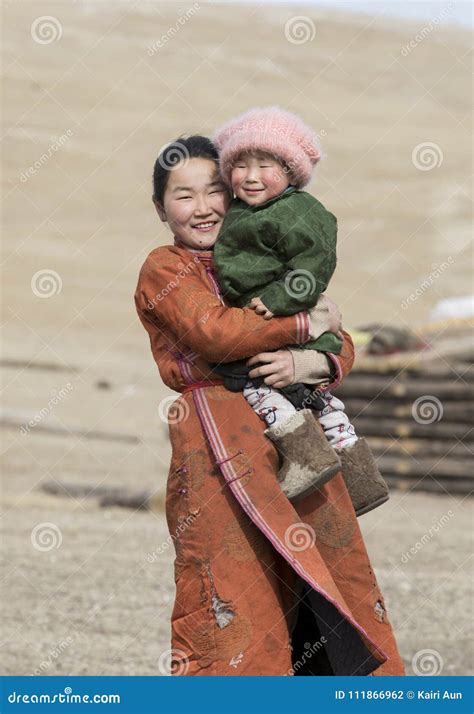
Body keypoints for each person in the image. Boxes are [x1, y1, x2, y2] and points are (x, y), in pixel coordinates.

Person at [134, 134, 406, 676]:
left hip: (296, 443)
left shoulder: (263, 258)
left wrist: (311, 363)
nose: (205, 207)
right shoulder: (166, 269)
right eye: (184, 196)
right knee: (235, 592)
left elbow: (340, 338)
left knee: (326, 585)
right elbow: (216, 335)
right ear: (161, 209)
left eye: (216, 190)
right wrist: (304, 323)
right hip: (215, 448)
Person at [211, 106, 389, 511]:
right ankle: (361, 482)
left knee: (259, 389)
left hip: (285, 320)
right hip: (287, 325)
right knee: (321, 404)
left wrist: (279, 300)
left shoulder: (298, 211)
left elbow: (316, 262)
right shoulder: (246, 209)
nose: (250, 176)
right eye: (239, 165)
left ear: (291, 171)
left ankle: (307, 458)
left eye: (265, 165)